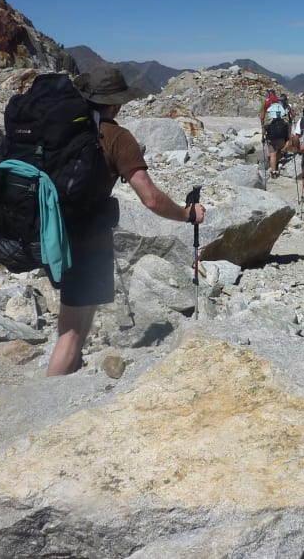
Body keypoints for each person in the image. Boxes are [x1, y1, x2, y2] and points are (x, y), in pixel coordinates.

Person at [47, 65, 206, 376]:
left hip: (49, 232)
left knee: (75, 314)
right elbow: (151, 198)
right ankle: (50, 408)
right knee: (71, 332)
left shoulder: (58, 128)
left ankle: (69, 366)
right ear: (115, 102)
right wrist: (188, 214)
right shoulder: (116, 137)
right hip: (85, 240)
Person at [260, 89, 289, 179]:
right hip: (281, 136)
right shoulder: (282, 111)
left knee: (272, 154)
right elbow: (287, 123)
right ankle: (276, 164)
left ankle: (273, 171)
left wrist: (262, 137)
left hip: (271, 137)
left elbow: (265, 126)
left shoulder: (268, 111)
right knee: (279, 151)